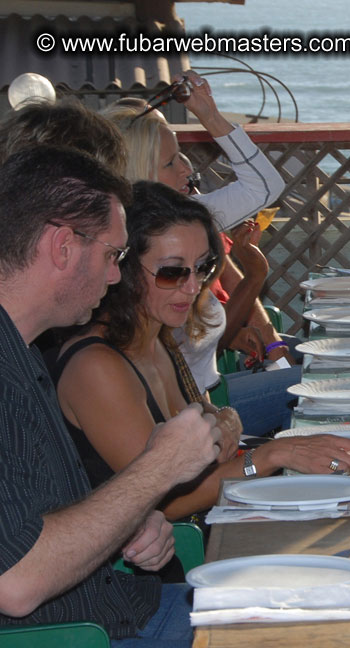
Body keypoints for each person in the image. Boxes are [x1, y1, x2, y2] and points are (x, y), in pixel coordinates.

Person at [0, 145, 222, 643]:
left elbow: (36, 512)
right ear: (62, 247)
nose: (116, 276)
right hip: (86, 633)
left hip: (122, 603)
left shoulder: (26, 351)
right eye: (113, 255)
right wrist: (159, 469)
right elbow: (15, 581)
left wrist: (127, 522)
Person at [52, 181, 350, 521]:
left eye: (203, 268)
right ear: (125, 267)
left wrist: (231, 426)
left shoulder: (156, 337)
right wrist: (270, 455)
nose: (193, 287)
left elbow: (213, 426)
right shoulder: (97, 366)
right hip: (166, 555)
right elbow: (164, 500)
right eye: (172, 272)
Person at [103, 73, 298, 435]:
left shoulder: (189, 219)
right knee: (313, 390)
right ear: (138, 173)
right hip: (185, 421)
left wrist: (208, 112)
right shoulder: (131, 257)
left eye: (181, 155)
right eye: (171, 162)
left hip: (207, 408)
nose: (187, 168)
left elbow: (266, 186)